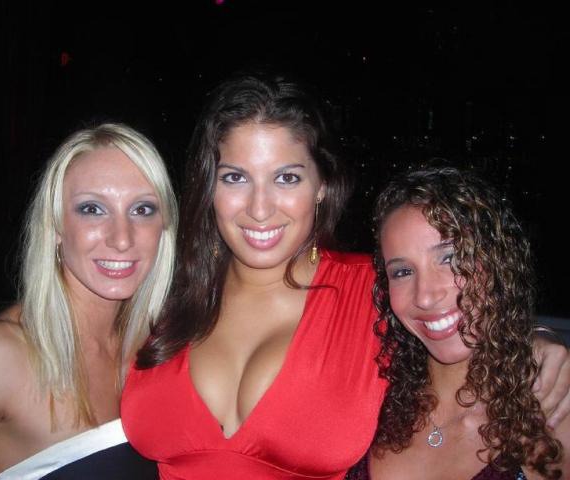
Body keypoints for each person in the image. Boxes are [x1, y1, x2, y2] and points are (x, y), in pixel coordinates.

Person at [120, 71, 570, 479]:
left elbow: (453, 309)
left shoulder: (373, 292)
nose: (259, 208)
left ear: (322, 185)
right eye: (235, 178)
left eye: (286, 178)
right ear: (209, 186)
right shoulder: (162, 294)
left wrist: (537, 341)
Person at [0, 123, 177, 479]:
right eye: (92, 209)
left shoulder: (163, 348)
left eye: (142, 209)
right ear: (56, 227)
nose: (122, 239)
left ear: (164, 227)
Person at [348, 166, 570, 479]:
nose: (426, 296)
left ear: (498, 260)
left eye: (450, 258)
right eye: (403, 272)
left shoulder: (549, 413)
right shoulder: (371, 396)